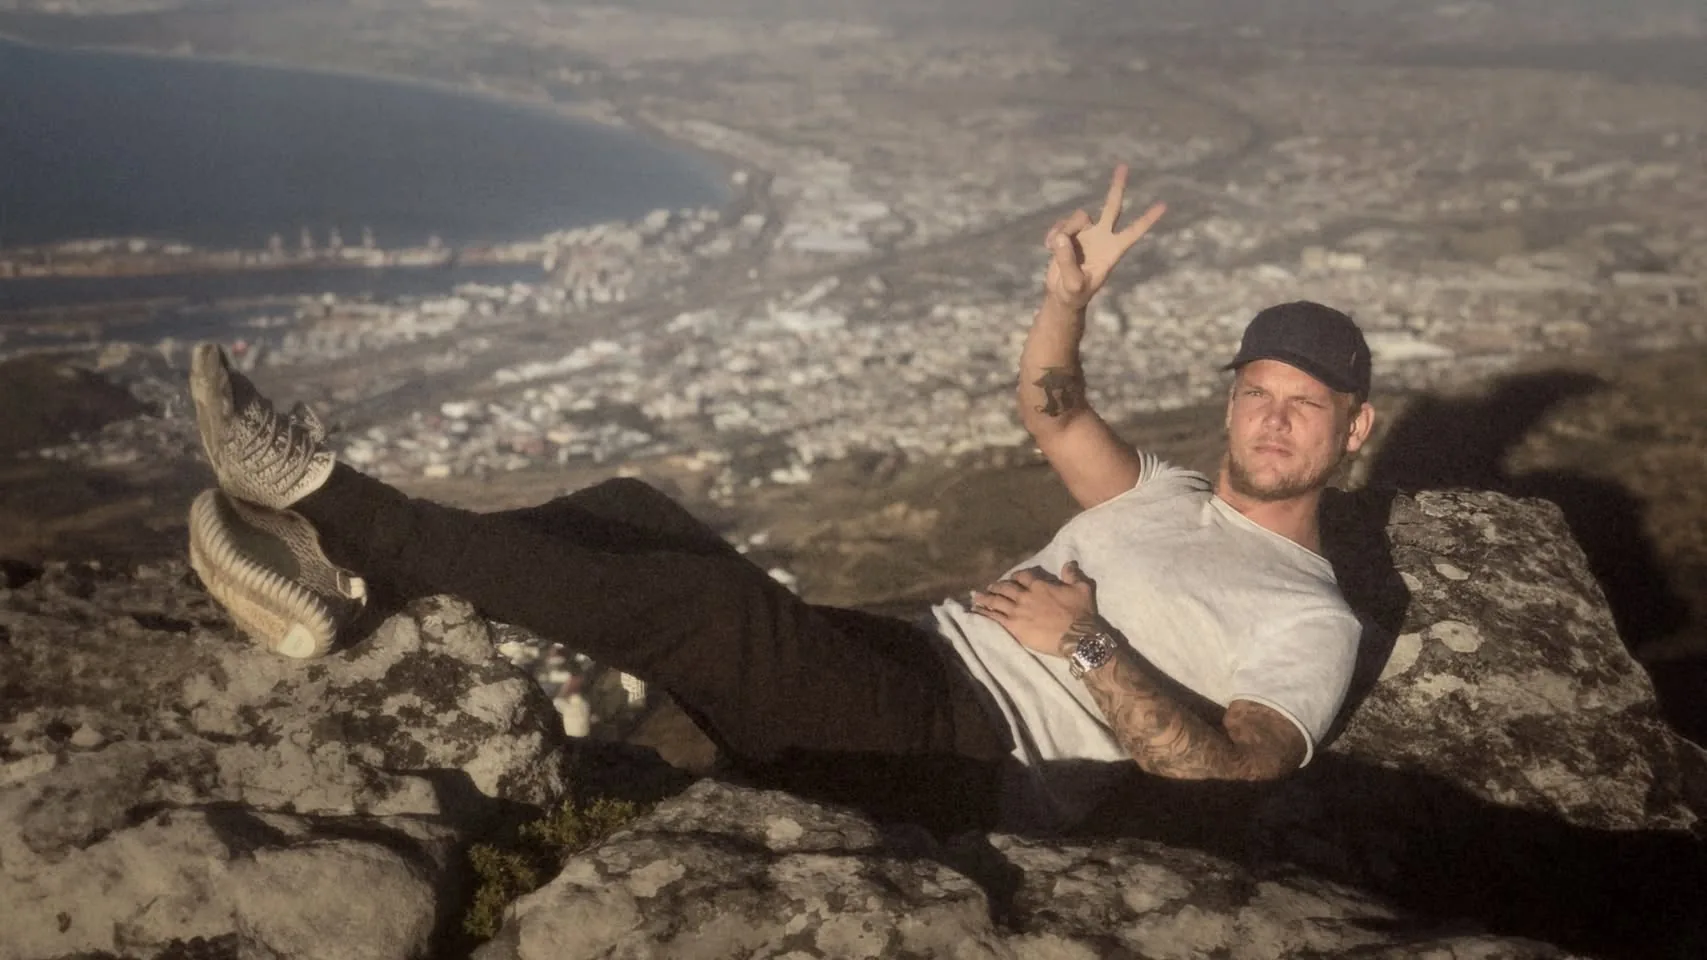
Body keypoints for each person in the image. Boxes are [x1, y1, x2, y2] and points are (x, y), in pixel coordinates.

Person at [183, 165, 1375, 834]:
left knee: (710, 615)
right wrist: (1067, 294)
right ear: (1229, 403)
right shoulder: (1160, 490)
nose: (1274, 418)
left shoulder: (1311, 613)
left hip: (971, 755)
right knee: (636, 507)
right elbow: (1054, 409)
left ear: (1353, 430)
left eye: (1306, 405)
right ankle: (355, 595)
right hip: (912, 664)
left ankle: (328, 498)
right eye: (1259, 392)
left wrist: (1092, 641)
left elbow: (1239, 770)